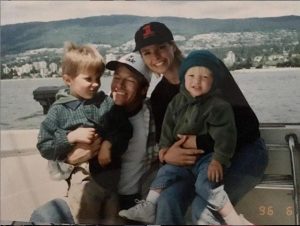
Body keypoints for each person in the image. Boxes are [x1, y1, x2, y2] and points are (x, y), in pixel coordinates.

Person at [133, 21, 268, 224]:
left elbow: (248, 125)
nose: (156, 57)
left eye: (161, 47)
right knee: (167, 201)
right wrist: (166, 154)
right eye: (147, 52)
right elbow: (167, 140)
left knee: (204, 210)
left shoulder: (206, 69)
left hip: (244, 153)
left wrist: (198, 143)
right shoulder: (160, 96)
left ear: (173, 46)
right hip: (197, 166)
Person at [119, 50, 252, 225]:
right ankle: (149, 207)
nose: (196, 82)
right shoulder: (176, 101)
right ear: (184, 78)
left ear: (213, 81)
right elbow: (167, 128)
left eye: (204, 77)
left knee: (205, 184)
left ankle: (232, 218)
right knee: (164, 174)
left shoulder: (219, 106)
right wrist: (165, 150)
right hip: (183, 160)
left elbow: (225, 136)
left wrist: (218, 160)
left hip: (208, 158)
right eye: (191, 76)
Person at [30, 52, 159, 224]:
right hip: (90, 190)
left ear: (144, 88)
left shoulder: (154, 117)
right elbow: (54, 164)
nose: (119, 85)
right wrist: (70, 159)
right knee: (44, 216)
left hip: (131, 203)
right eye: (117, 77)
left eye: (129, 81)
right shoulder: (96, 108)